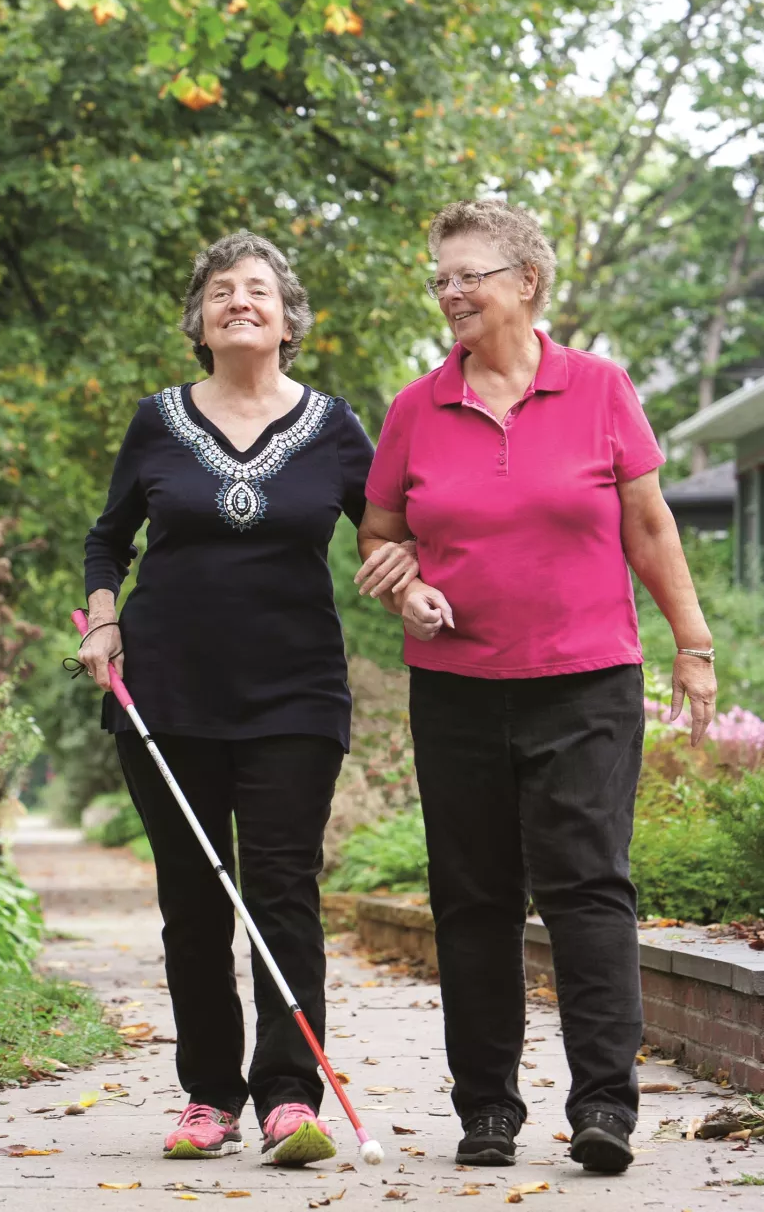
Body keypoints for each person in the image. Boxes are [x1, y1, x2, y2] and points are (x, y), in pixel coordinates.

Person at [355, 199, 717, 1175]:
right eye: (440, 278)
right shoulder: (415, 407)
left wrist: (693, 641)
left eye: (468, 272)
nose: (451, 291)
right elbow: (380, 535)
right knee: (472, 896)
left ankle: (603, 1104)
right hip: (458, 687)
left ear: (526, 281)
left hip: (587, 681)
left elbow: (649, 524)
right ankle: (486, 1111)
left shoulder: (599, 387)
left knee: (587, 885)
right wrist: (408, 585)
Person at [78, 231, 417, 1166]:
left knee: (282, 891)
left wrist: (409, 572)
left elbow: (390, 532)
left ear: (288, 317)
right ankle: (208, 1096)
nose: (240, 300)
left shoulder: (337, 426)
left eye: (259, 289)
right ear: (199, 318)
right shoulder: (156, 421)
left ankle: (287, 1097)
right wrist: (102, 621)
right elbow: (107, 540)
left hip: (295, 696)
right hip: (165, 696)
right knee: (192, 899)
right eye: (222, 289)